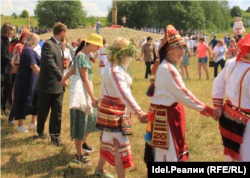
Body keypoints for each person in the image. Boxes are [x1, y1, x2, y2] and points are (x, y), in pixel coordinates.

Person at [144, 25, 215, 169]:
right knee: (168, 158)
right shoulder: (167, 68)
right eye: (178, 48)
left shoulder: (166, 65)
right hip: (167, 118)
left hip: (164, 116)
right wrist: (208, 110)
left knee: (164, 156)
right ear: (168, 50)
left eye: (184, 48)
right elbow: (184, 94)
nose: (182, 51)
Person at [95, 37, 148, 178]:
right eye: (129, 54)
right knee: (120, 145)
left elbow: (104, 86)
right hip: (114, 112)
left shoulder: (114, 67)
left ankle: (100, 169)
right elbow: (123, 92)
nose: (130, 57)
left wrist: (99, 100)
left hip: (121, 112)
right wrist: (139, 112)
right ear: (123, 53)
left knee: (107, 140)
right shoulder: (114, 69)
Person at [60, 33, 102, 165]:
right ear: (91, 43)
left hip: (84, 94)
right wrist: (93, 97)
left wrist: (63, 80)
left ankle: (83, 144)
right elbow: (85, 80)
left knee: (90, 120)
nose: (98, 49)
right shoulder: (82, 56)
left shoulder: (80, 55)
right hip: (82, 95)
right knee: (80, 123)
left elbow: (72, 70)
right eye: (97, 45)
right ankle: (79, 155)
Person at [212, 33, 250, 161]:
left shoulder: (231, 63)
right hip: (246, 121)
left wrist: (217, 107)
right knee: (245, 155)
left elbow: (218, 83)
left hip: (229, 117)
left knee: (232, 156)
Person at [36, 22, 68, 145]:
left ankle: (55, 137)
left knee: (57, 112)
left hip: (58, 86)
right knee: (43, 111)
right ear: (62, 33)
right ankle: (40, 130)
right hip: (47, 84)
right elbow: (50, 63)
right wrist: (62, 77)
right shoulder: (48, 44)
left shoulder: (59, 45)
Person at [14, 33, 41, 132]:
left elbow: (40, 62)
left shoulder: (31, 50)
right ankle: (19, 125)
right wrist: (42, 77)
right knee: (23, 99)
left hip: (32, 80)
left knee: (35, 99)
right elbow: (33, 65)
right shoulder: (28, 50)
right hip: (25, 81)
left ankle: (33, 123)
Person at [7, 27, 30, 125]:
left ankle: (22, 115)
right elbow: (23, 60)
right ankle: (11, 117)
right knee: (17, 96)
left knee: (23, 96)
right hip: (18, 73)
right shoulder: (20, 46)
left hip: (22, 73)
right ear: (24, 37)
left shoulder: (24, 46)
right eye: (27, 37)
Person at [0, 23, 15, 121]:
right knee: (0, 90)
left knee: (7, 88)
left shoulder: (9, 40)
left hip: (8, 69)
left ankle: (4, 108)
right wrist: (11, 61)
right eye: (12, 29)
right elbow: (2, 55)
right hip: (1, 69)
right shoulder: (0, 41)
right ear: (7, 30)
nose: (13, 32)